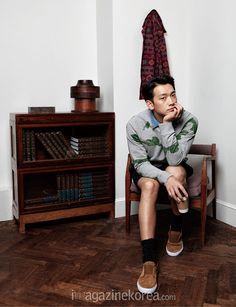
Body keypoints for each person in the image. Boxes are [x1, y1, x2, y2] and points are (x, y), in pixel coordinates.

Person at [126, 75, 198, 294]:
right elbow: (139, 163)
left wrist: (167, 124)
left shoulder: (189, 120)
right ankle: (149, 262)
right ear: (150, 103)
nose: (171, 101)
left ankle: (175, 230)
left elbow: (176, 160)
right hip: (147, 168)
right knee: (150, 185)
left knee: (174, 170)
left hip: (174, 166)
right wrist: (164, 178)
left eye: (173, 94)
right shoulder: (134, 124)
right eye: (163, 97)